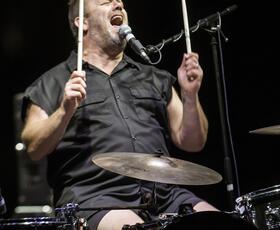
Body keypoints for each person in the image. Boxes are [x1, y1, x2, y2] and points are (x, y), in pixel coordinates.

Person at [20, 0, 219, 229]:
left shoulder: (154, 77)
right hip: (95, 198)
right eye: (106, 2)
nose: (118, 4)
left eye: (120, 2)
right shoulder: (51, 83)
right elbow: (34, 149)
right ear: (82, 22)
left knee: (219, 224)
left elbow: (193, 143)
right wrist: (65, 110)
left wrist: (190, 95)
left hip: (166, 194)